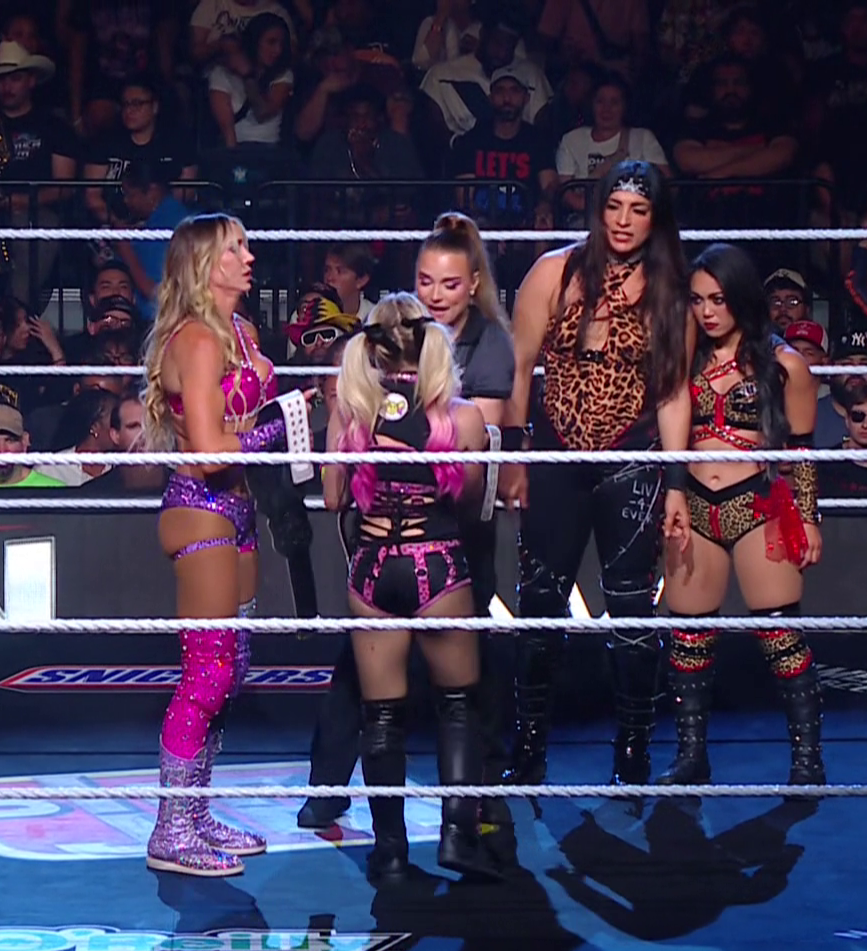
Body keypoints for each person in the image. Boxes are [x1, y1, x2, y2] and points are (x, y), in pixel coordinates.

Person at [298, 212, 514, 837]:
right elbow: (465, 469)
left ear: (473, 284)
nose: (436, 293)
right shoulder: (378, 383)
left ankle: (454, 815)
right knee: (390, 689)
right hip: (414, 545)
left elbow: (468, 469)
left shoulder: (482, 350)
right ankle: (353, 803)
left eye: (449, 282)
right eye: (425, 281)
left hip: (432, 542)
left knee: (446, 688)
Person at [497, 159, 694, 786]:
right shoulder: (553, 273)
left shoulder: (670, 292)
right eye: (614, 207)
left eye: (638, 210)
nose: (624, 221)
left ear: (655, 218)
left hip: (631, 460)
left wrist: (677, 483)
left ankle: (633, 750)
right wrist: (515, 455)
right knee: (540, 603)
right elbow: (518, 366)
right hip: (555, 457)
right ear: (598, 209)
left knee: (632, 609)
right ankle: (529, 748)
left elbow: (673, 392)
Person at [139, 212, 296, 878]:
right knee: (206, 674)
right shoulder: (198, 340)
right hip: (200, 508)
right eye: (236, 248)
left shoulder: (240, 330)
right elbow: (207, 453)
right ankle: (170, 830)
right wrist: (279, 429)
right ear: (207, 265)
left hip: (240, 508)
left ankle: (196, 813)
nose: (249, 257)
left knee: (231, 671)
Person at [322, 294, 497, 883]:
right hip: (436, 562)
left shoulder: (353, 411)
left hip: (373, 565)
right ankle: (458, 838)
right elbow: (471, 502)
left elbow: (333, 499)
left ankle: (391, 852)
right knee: (458, 704)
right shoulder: (461, 416)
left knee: (381, 716)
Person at [661, 243, 824, 787]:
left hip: (756, 502)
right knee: (688, 638)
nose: (707, 312)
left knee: (780, 636)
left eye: (718, 299)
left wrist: (809, 518)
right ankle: (691, 758)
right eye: (697, 300)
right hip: (692, 503)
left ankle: (807, 761)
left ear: (741, 297)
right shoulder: (682, 358)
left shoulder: (784, 364)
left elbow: (802, 448)